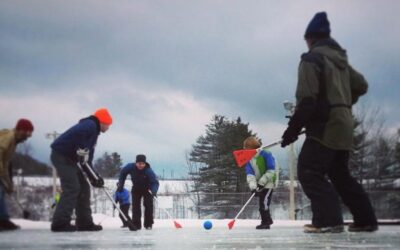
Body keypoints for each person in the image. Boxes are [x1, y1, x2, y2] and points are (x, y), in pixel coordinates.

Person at [281, 12, 378, 233]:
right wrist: (343, 102)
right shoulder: (340, 62)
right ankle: (365, 219)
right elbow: (361, 85)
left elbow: (307, 99)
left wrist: (293, 129)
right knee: (340, 174)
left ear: (311, 38)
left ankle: (328, 220)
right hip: (344, 124)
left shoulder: (312, 59)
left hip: (326, 125)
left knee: (308, 170)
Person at [50, 108, 112, 232]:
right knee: (72, 187)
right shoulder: (90, 125)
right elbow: (80, 136)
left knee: (84, 187)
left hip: (70, 160)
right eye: (108, 125)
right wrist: (81, 147)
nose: (108, 128)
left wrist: (94, 177)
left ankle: (84, 222)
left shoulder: (94, 133)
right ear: (103, 122)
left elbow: (86, 161)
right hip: (61, 156)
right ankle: (60, 223)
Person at [0, 119, 34, 231]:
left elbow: (5, 164)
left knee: (2, 190)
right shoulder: (9, 136)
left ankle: (3, 219)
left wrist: (8, 183)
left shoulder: (14, 142)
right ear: (19, 130)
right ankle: (2, 220)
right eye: (25, 134)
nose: (26, 138)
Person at [243, 136, 277, 229]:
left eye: (246, 147)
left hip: (269, 181)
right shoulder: (249, 158)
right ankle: (267, 221)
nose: (244, 149)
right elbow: (250, 174)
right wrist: (253, 187)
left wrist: (262, 182)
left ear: (252, 146)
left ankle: (266, 222)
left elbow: (271, 170)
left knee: (264, 202)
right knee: (262, 202)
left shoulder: (266, 154)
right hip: (259, 183)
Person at [118, 154, 159, 230]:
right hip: (136, 188)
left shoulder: (148, 171)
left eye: (143, 164)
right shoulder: (130, 167)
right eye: (139, 163)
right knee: (136, 206)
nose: (141, 165)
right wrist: (121, 184)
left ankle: (148, 224)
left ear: (145, 163)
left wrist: (154, 191)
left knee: (148, 205)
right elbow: (122, 173)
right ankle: (136, 224)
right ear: (136, 163)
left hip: (148, 189)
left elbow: (155, 182)